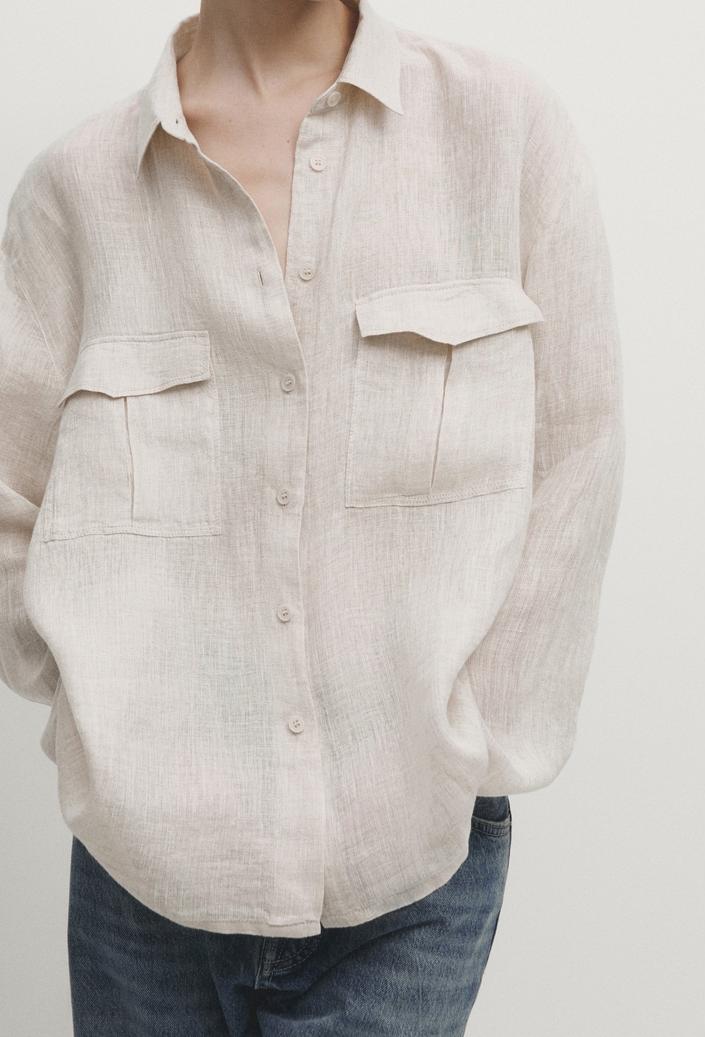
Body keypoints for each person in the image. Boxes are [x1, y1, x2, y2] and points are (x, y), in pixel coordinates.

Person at [0, 0, 624, 1032]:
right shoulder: (75, 193)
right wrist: (96, 707)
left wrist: (476, 745)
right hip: (138, 881)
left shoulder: (504, 132)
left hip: (413, 865)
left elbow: (577, 450)